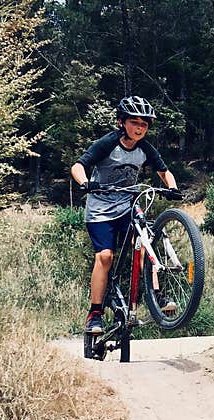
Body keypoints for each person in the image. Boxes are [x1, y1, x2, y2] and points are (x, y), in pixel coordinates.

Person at [71, 95, 180, 335]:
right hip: (100, 210)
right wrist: (84, 182)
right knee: (105, 257)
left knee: (145, 245)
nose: (140, 128)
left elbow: (164, 172)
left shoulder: (145, 149)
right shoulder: (108, 143)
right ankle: (95, 314)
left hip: (127, 205)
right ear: (122, 122)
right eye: (134, 122)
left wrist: (172, 188)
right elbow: (78, 166)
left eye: (144, 124)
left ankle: (157, 296)